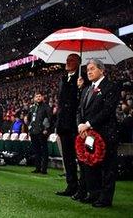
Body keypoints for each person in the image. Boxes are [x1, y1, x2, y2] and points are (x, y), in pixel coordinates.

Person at [76, 59, 120, 207]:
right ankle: (94, 194)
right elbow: (80, 111)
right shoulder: (87, 89)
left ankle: (105, 198)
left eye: (92, 68)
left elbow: (107, 110)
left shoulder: (111, 86)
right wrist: (80, 125)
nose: (89, 71)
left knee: (107, 167)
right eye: (87, 69)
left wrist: (88, 124)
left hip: (106, 133)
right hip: (88, 136)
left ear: (101, 70)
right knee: (91, 164)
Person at [55, 54, 86, 196]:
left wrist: (82, 86)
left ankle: (83, 187)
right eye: (67, 59)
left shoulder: (83, 78)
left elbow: (82, 102)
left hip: (75, 125)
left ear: (79, 62)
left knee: (81, 157)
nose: (67, 62)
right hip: (63, 125)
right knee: (67, 158)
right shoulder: (62, 79)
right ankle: (71, 186)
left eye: (71, 60)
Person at [27, 92, 52, 174]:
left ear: (42, 97)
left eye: (39, 96)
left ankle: (44, 169)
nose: (38, 98)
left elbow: (50, 118)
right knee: (36, 150)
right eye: (36, 96)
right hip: (33, 131)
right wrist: (29, 130)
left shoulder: (46, 107)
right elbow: (29, 119)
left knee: (44, 150)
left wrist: (47, 129)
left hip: (42, 131)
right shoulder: (32, 108)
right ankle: (37, 168)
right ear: (34, 98)